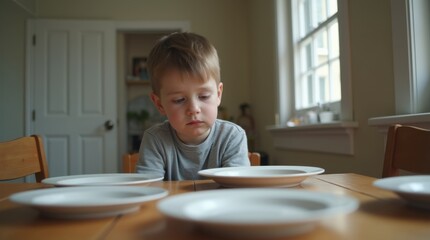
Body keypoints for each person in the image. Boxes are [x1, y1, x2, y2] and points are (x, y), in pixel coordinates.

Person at [136, 32, 250, 180]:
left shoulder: (232, 136)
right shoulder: (155, 140)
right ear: (159, 104)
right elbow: (148, 190)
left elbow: (237, 189)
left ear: (218, 94)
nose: (193, 109)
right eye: (179, 100)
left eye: (203, 96)